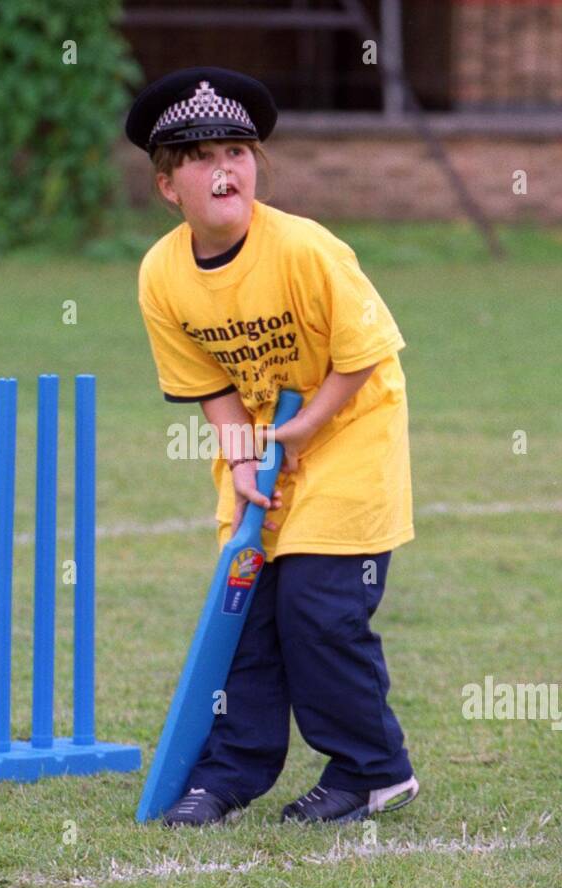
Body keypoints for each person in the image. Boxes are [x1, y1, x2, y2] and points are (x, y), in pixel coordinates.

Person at [127, 67, 419, 826]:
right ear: (168, 187)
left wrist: (302, 430)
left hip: (348, 427)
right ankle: (228, 775)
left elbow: (364, 355)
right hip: (263, 438)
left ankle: (371, 771)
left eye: (237, 150)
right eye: (199, 157)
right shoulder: (162, 273)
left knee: (319, 614)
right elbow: (208, 384)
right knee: (245, 612)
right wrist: (242, 456)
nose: (224, 168)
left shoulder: (305, 249)